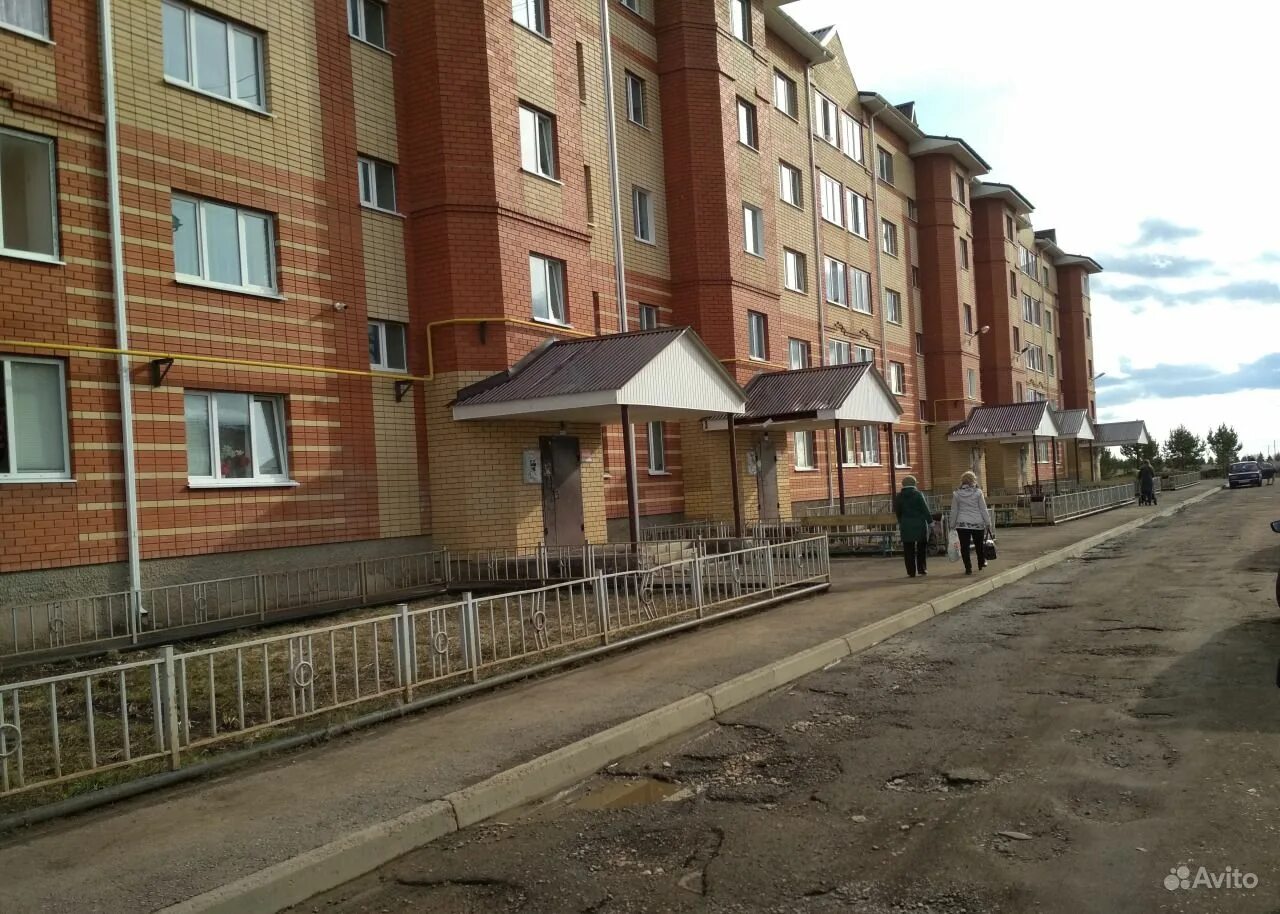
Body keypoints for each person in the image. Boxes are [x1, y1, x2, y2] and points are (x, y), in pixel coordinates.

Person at [951, 470, 994, 576]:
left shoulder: (957, 494)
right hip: (977, 523)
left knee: (964, 547)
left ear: (962, 481)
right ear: (973, 480)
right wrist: (988, 522)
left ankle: (968, 568)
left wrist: (952, 524)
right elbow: (983, 508)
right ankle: (980, 563)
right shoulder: (978, 492)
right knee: (979, 545)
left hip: (962, 524)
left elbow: (954, 510)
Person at [894, 475, 933, 578]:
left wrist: (901, 521)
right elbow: (925, 509)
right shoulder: (918, 495)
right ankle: (922, 569)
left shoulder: (899, 497)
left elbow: (898, 511)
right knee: (921, 548)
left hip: (906, 525)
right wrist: (930, 522)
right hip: (919, 524)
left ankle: (911, 571)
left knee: (908, 550)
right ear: (914, 484)